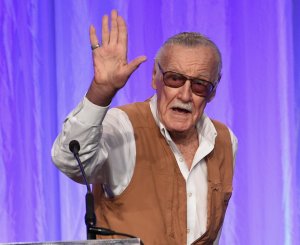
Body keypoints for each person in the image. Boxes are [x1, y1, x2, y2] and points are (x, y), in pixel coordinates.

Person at [52, 9, 237, 245]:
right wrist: (100, 92)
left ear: (213, 90)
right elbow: (68, 160)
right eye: (174, 78)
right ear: (155, 77)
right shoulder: (122, 126)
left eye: (199, 84)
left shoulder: (224, 141)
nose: (185, 94)